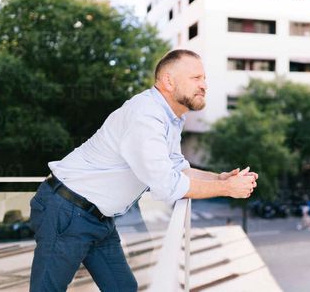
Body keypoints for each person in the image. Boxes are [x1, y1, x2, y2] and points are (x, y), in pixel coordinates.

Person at [28, 49, 259, 292]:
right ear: (168, 81)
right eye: (196, 78)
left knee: (123, 288)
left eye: (204, 79)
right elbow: (168, 185)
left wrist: (220, 177)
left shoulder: (169, 118)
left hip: (98, 217)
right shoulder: (146, 115)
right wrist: (226, 188)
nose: (204, 85)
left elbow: (178, 169)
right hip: (66, 210)